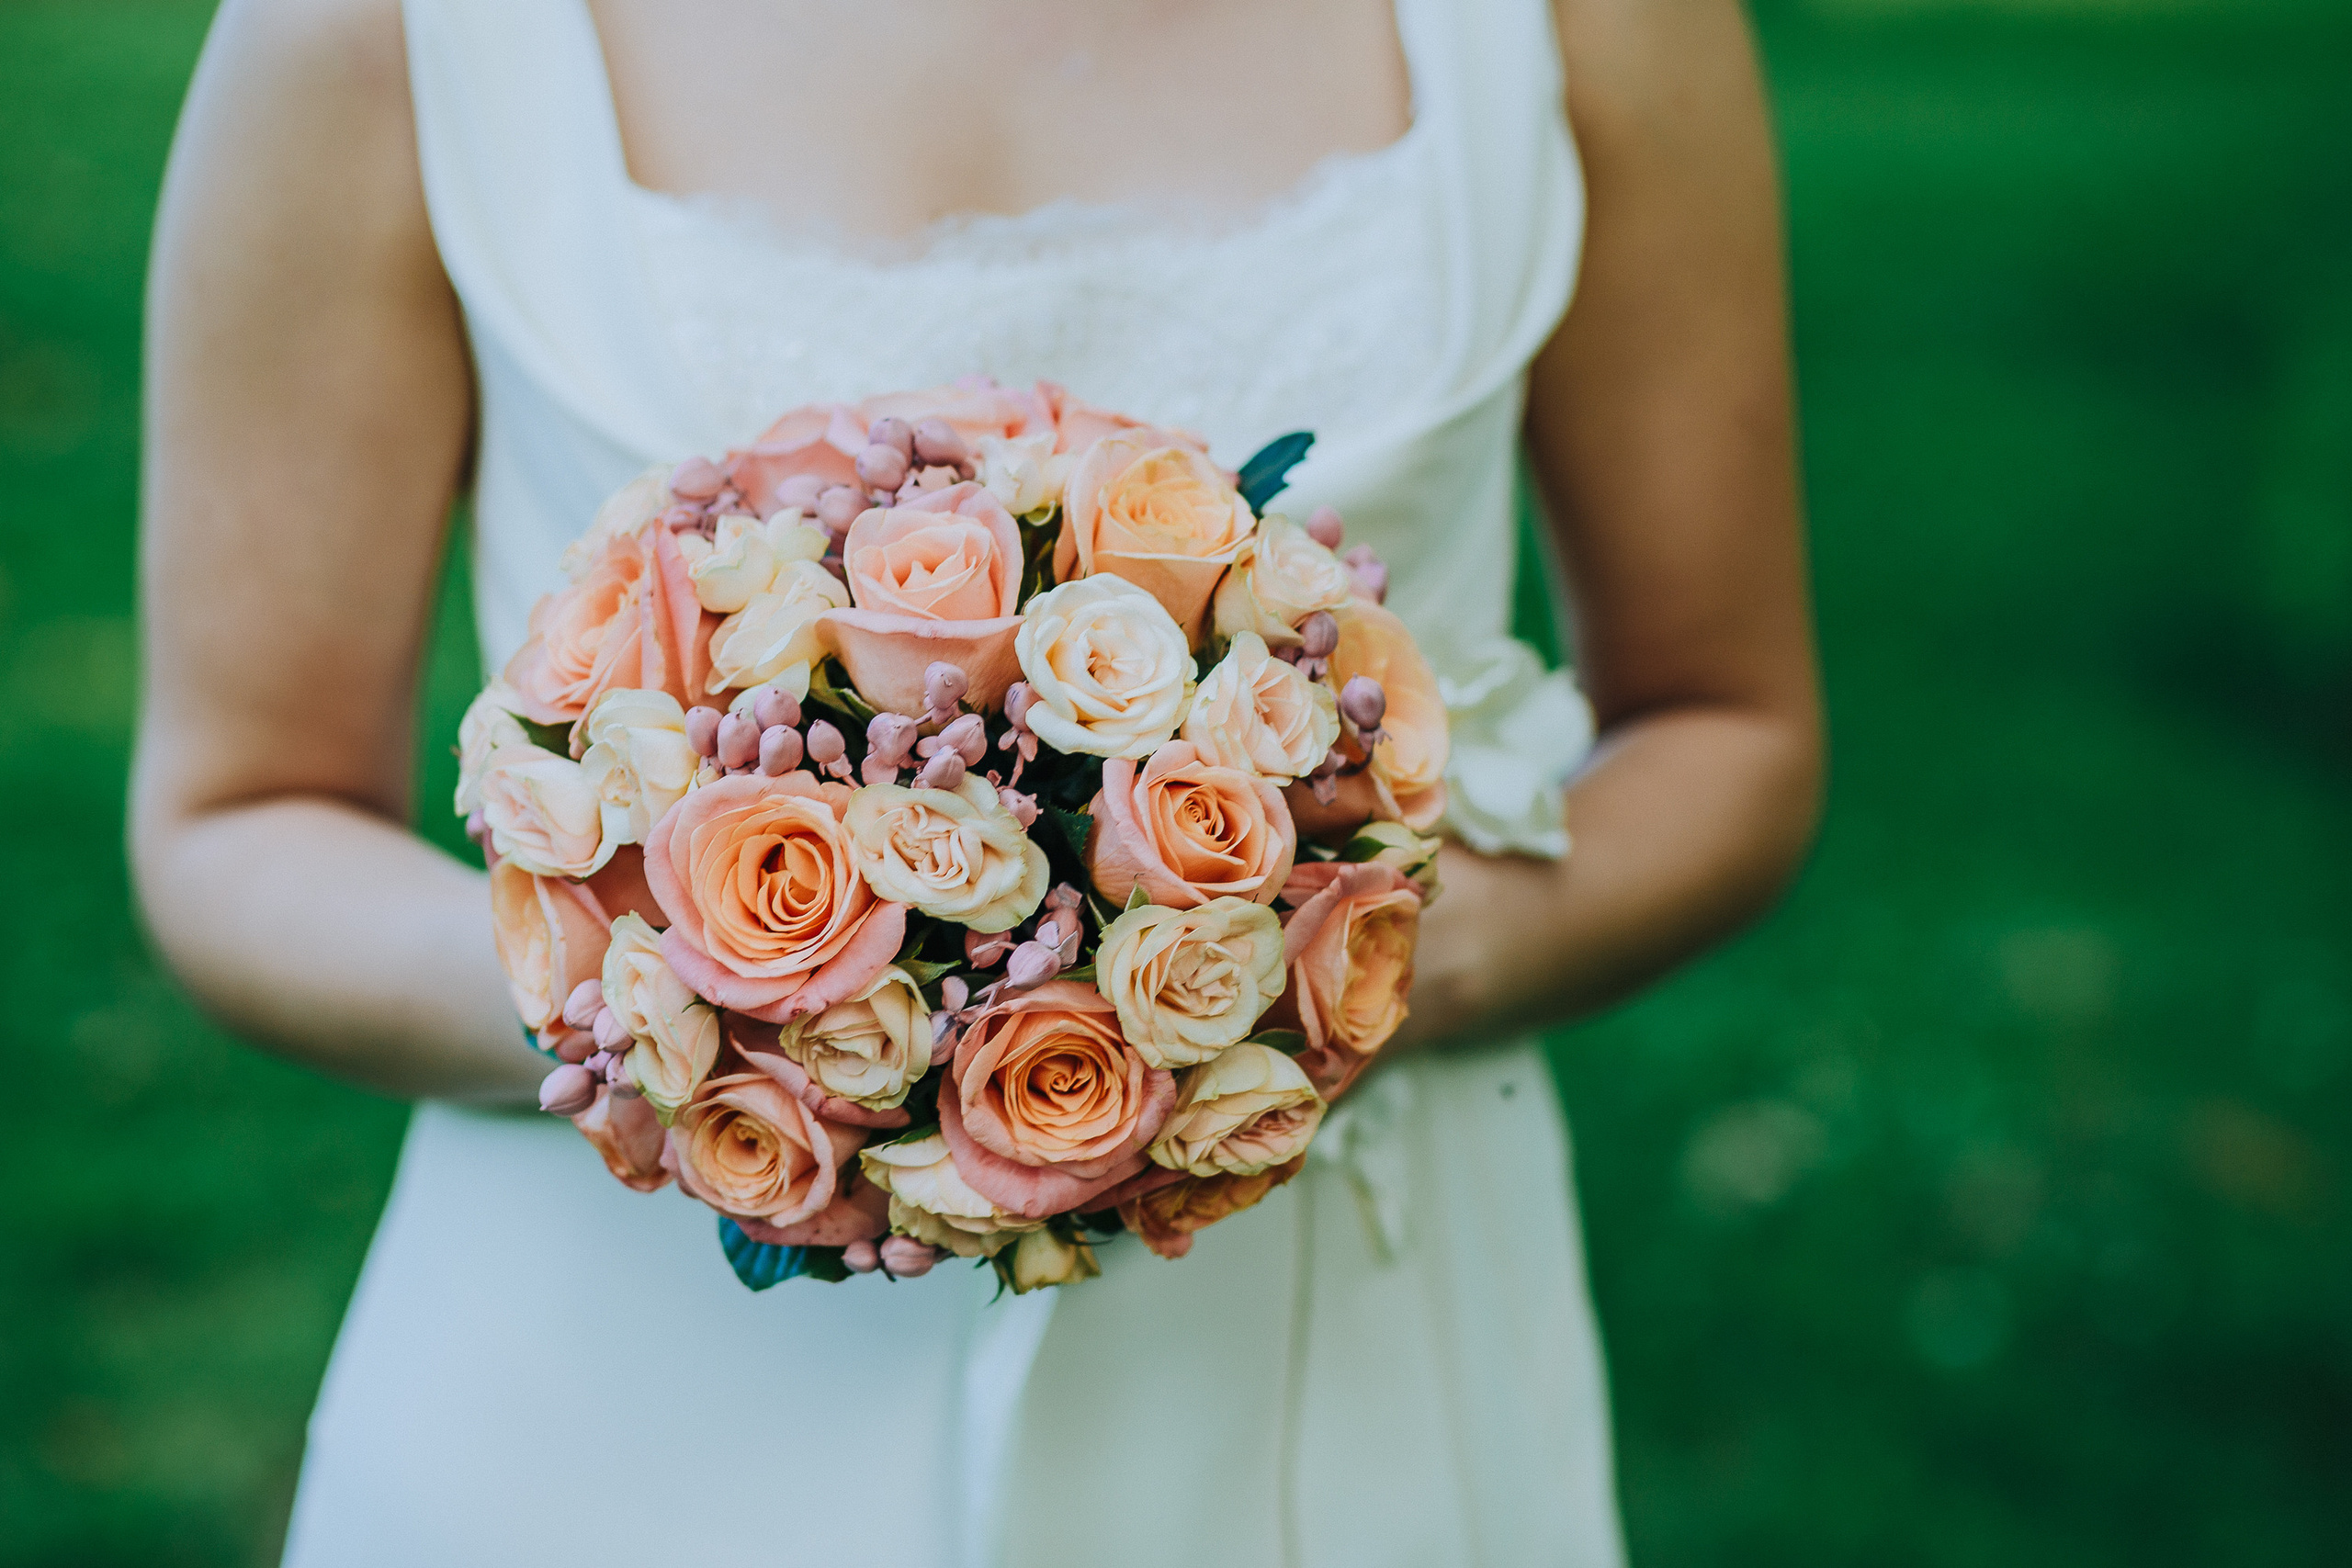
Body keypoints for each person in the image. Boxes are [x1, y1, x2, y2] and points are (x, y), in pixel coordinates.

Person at [132, 0, 1820, 1562]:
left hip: (1340, 1363)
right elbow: (239, 815)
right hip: (618, 1405)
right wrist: (694, 1025)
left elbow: (1728, 724)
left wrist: (1304, 997)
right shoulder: (376, 30)